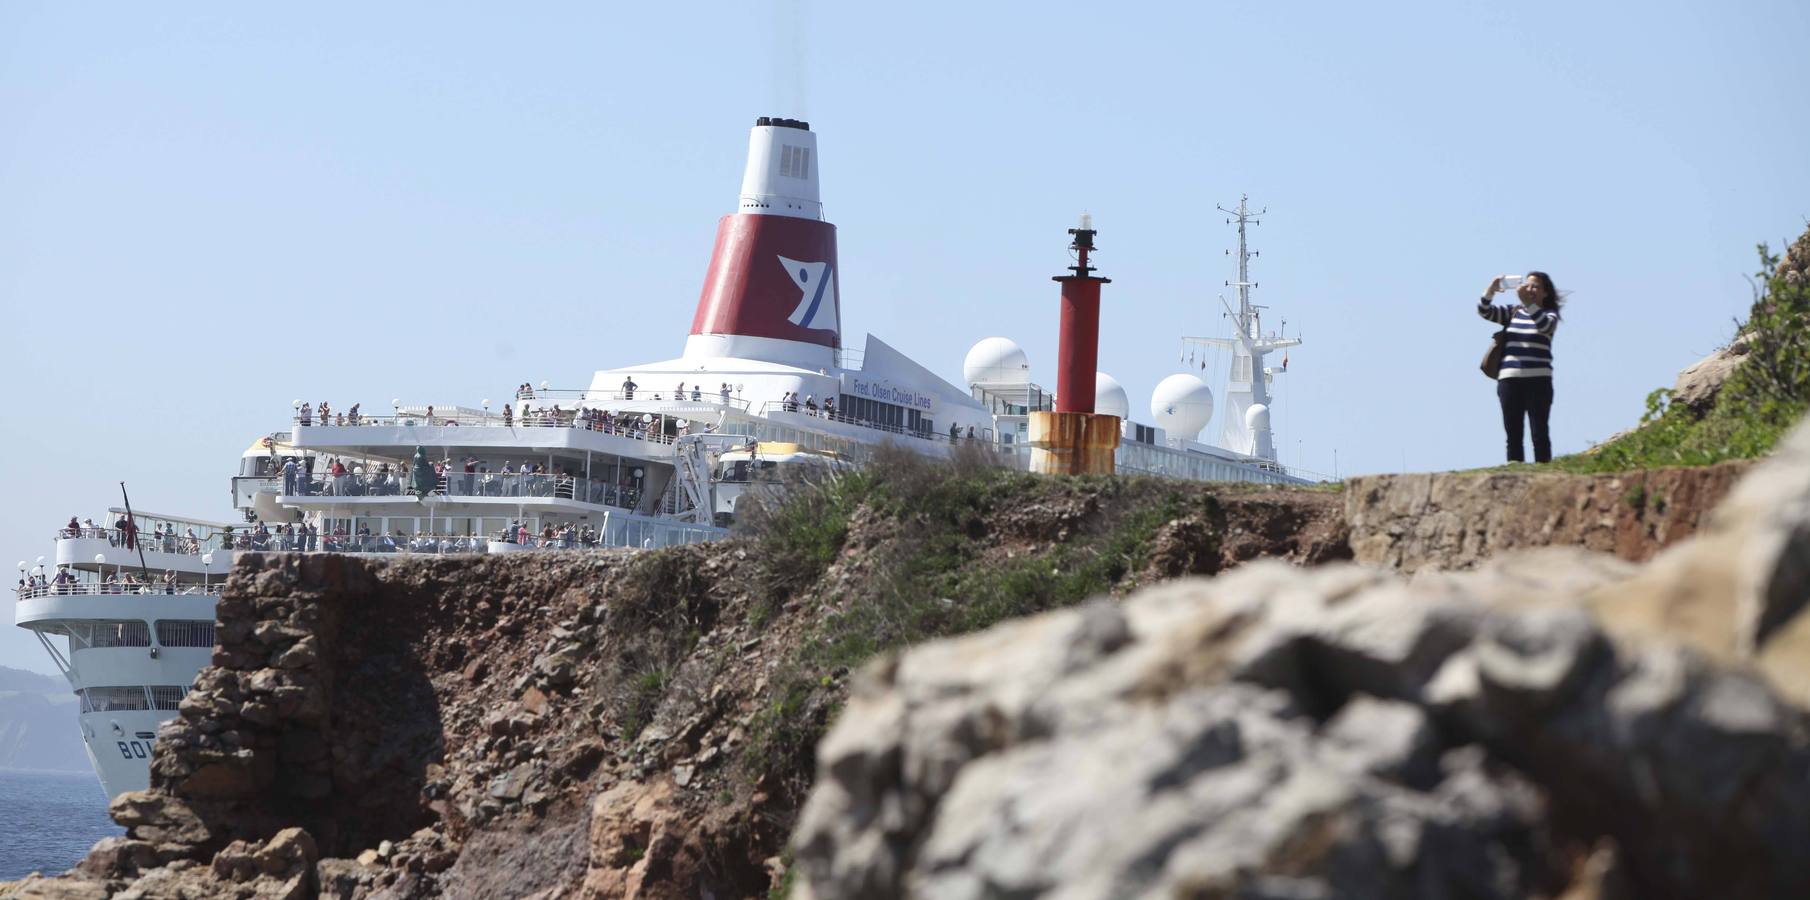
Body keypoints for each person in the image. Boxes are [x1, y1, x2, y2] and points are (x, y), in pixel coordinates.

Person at [1478, 271, 1562, 463]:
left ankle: (1543, 472)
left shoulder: (1550, 315)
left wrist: (1529, 304)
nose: (1530, 289)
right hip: (1510, 380)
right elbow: (1484, 310)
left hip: (1539, 380)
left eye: (1536, 286)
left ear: (1545, 293)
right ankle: (1515, 471)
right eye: (1528, 285)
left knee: (1539, 432)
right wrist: (1491, 290)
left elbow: (1545, 326)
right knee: (1513, 434)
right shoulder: (1512, 312)